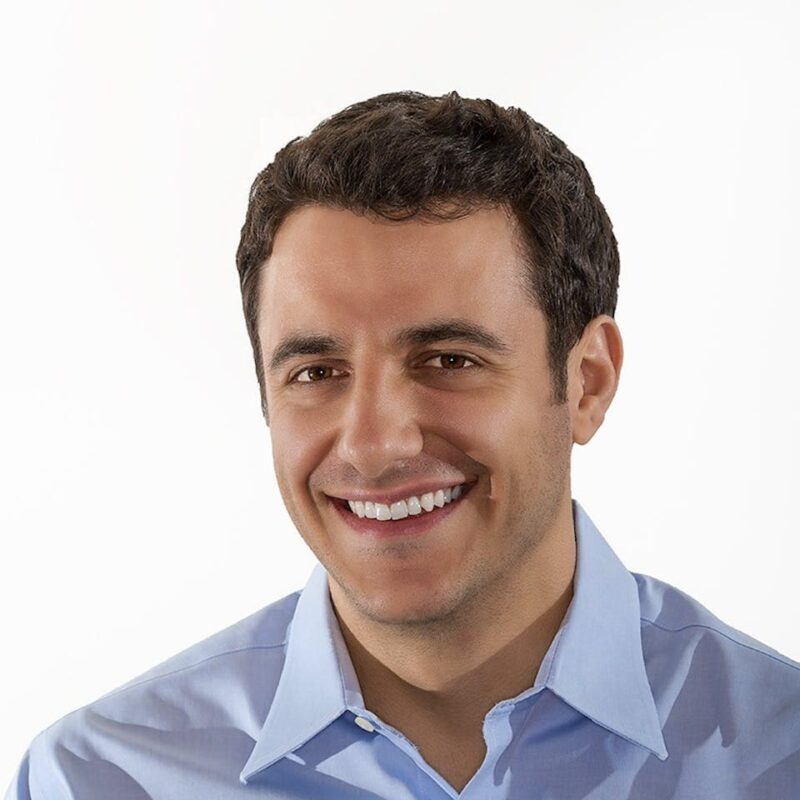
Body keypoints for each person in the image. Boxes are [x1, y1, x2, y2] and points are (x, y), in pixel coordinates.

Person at [6, 90, 799, 800]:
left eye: (449, 360)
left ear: (586, 383)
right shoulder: (100, 780)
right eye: (317, 371)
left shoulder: (781, 753)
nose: (375, 443)